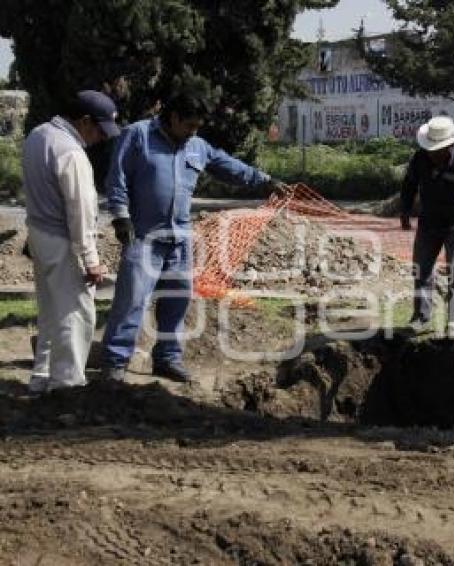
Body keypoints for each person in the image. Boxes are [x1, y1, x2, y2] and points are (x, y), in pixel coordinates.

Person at [100, 91, 283, 382]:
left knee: (178, 299)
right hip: (143, 237)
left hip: (180, 239)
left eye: (197, 127)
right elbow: (117, 178)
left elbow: (226, 165)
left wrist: (264, 181)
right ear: (173, 118)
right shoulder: (138, 135)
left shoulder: (196, 146)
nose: (192, 133)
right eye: (189, 126)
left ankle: (167, 358)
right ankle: (114, 362)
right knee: (132, 300)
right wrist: (120, 216)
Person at [22, 90, 120, 393]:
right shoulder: (72, 154)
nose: (101, 137)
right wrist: (90, 260)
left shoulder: (38, 135)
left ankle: (42, 378)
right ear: (84, 121)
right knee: (76, 314)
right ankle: (67, 385)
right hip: (64, 241)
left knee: (51, 311)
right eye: (100, 129)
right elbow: (80, 212)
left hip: (40, 233)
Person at [400, 116, 454, 334]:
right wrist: (405, 211)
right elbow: (409, 185)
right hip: (428, 223)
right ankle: (421, 318)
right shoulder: (419, 159)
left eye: (437, 150)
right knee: (421, 270)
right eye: (430, 149)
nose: (433, 154)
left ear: (450, 145)